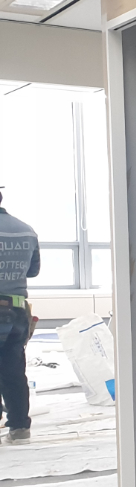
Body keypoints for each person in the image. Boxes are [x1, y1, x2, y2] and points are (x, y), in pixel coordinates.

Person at [0, 188, 40, 443]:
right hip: (16, 312)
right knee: (13, 371)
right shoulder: (27, 230)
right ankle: (19, 429)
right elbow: (33, 271)